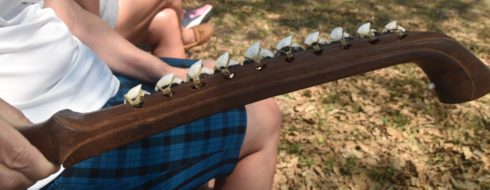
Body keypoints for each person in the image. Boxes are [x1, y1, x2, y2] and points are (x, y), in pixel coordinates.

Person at [0, 0, 281, 189]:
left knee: (233, 78)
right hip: (53, 145)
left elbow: (75, 19)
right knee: (261, 113)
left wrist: (166, 72)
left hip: (101, 83)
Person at [76, 0, 214, 54]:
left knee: (167, 21)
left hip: (99, 14)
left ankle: (177, 104)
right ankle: (183, 34)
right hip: (93, 29)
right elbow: (89, 16)